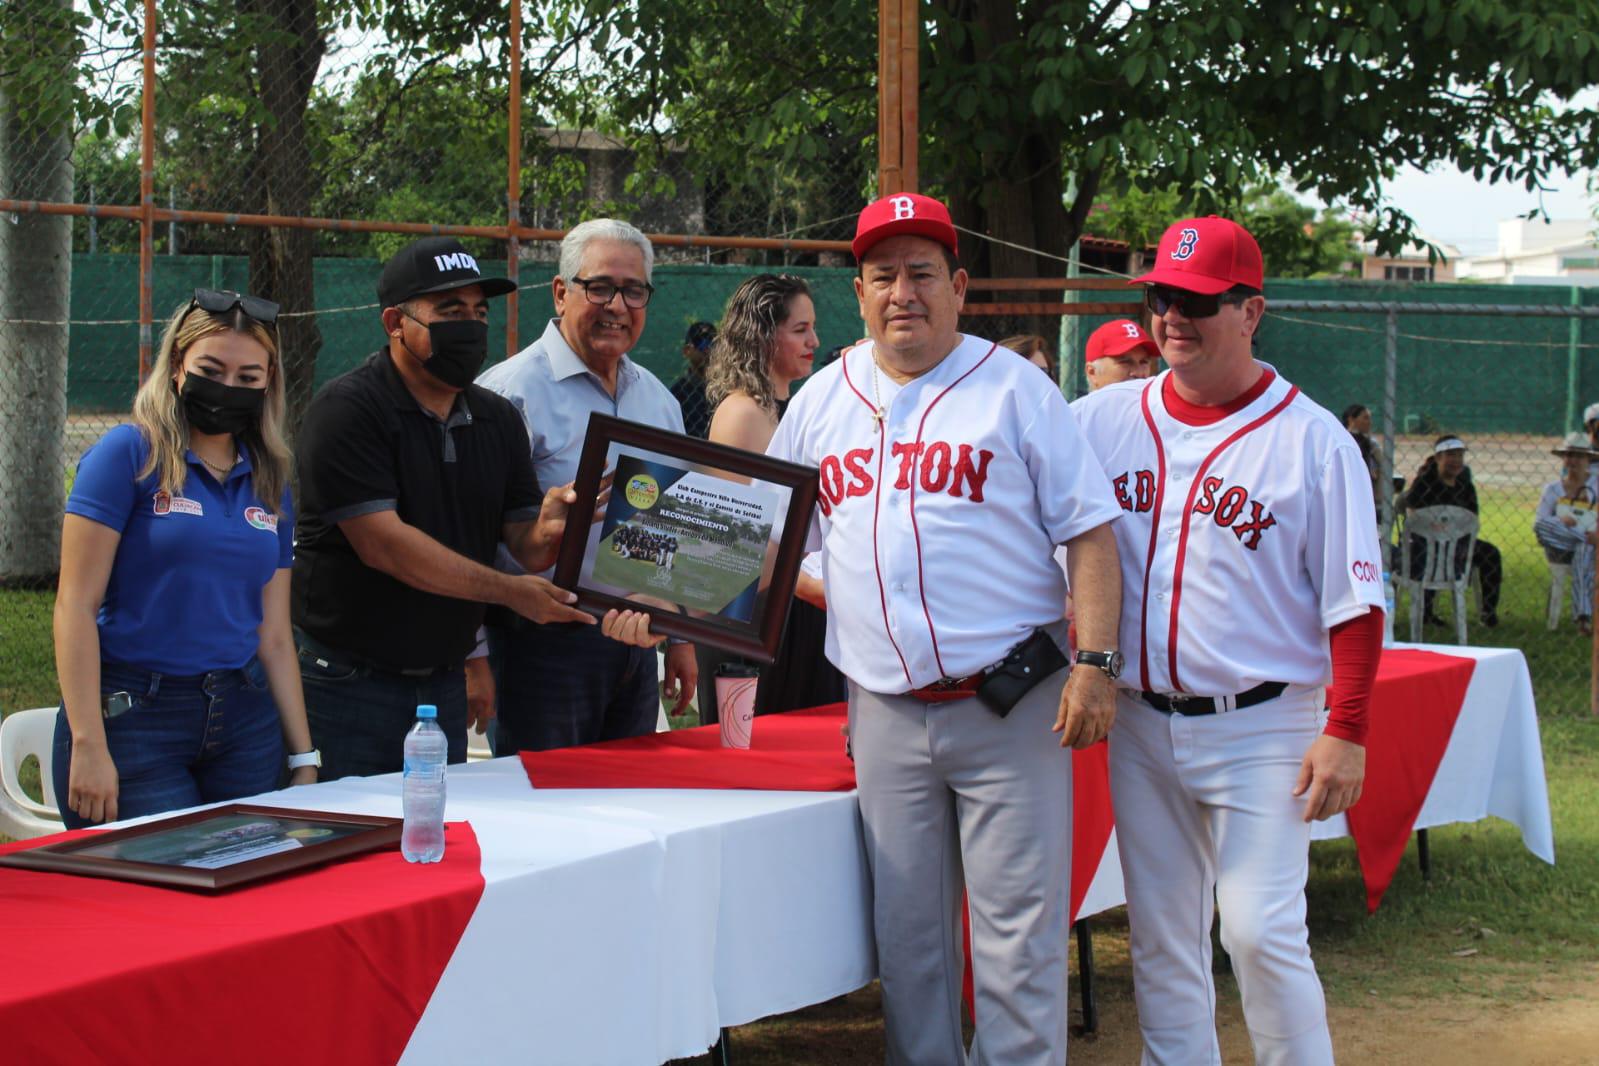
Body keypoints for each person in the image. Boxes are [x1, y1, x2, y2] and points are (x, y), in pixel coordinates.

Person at [768, 192, 1125, 1065]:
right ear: (858, 292)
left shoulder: (1016, 390)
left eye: (921, 273)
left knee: (1016, 946)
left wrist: (1095, 664)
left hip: (1011, 704)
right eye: (882, 274)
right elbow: (770, 540)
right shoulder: (821, 399)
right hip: (882, 710)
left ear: (959, 286)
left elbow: (1088, 531)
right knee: (911, 944)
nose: (902, 292)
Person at [1072, 215, 1385, 1065]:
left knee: (1258, 931)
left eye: (1199, 301)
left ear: (1251, 311)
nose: (1172, 316)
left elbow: (1355, 603)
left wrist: (1346, 727)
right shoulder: (1100, 421)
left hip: (1263, 725)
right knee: (1162, 937)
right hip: (1138, 718)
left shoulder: (1312, 439)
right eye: (1162, 296)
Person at [292, 236, 646, 781]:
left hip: (439, 687)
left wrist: (549, 529)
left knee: (435, 841)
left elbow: (522, 543)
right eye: (450, 311)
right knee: (349, 843)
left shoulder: (497, 419)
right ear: (394, 321)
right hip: (348, 679)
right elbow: (386, 546)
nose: (471, 326)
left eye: (480, 311)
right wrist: (509, 595)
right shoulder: (347, 411)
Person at [52, 290, 317, 827]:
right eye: (211, 369)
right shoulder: (128, 455)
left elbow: (274, 634)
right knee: (158, 900)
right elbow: (75, 606)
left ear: (268, 384)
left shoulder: (270, 479)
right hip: (135, 716)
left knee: (251, 895)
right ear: (176, 367)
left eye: (248, 377)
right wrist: (88, 743)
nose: (227, 388)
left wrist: (304, 756)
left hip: (244, 717)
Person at [476, 218, 698, 752]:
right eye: (599, 287)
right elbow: (470, 536)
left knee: (627, 808)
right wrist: (473, 654)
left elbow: (675, 521)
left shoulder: (658, 400)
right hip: (541, 648)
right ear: (561, 292)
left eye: (634, 290)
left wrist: (684, 636)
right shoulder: (508, 395)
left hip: (637, 643)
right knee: (548, 813)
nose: (617, 305)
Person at [699, 273, 844, 717]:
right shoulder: (742, 413)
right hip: (755, 622)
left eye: (812, 327)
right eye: (800, 330)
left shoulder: (799, 410)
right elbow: (725, 547)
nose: (814, 340)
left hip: (799, 606)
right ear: (763, 335)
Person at [1400, 434, 1503, 627]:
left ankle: (1488, 611)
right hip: (1426, 542)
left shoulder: (1465, 486)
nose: (1456, 461)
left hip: (1458, 543)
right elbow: (1412, 513)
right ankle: (1426, 612)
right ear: (1438, 457)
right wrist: (1432, 526)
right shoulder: (1424, 483)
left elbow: (1473, 518)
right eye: (1450, 455)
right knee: (1427, 554)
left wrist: (1457, 530)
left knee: (1491, 554)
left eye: (1459, 456)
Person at [1534, 433, 1599, 635]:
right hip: (1560, 545)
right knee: (1543, 526)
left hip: (1591, 543)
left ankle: (1583, 618)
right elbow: (1540, 524)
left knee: (1584, 548)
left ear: (1588, 459)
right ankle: (1583, 618)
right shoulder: (1552, 489)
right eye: (1569, 455)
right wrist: (1561, 522)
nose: (1573, 460)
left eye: (1579, 456)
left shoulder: (1597, 484)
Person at [1083, 318, 1160, 390]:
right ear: (1092, 372)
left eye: (1144, 362)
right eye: (1125, 362)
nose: (1138, 373)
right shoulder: (1079, 405)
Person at [670, 321, 716, 439]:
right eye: (704, 344)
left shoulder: (723, 391)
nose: (709, 351)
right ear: (687, 350)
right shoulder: (677, 394)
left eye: (714, 345)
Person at [1342, 402, 1382, 508]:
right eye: (1365, 418)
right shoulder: (1352, 441)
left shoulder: (1368, 442)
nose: (1369, 422)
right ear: (1351, 420)